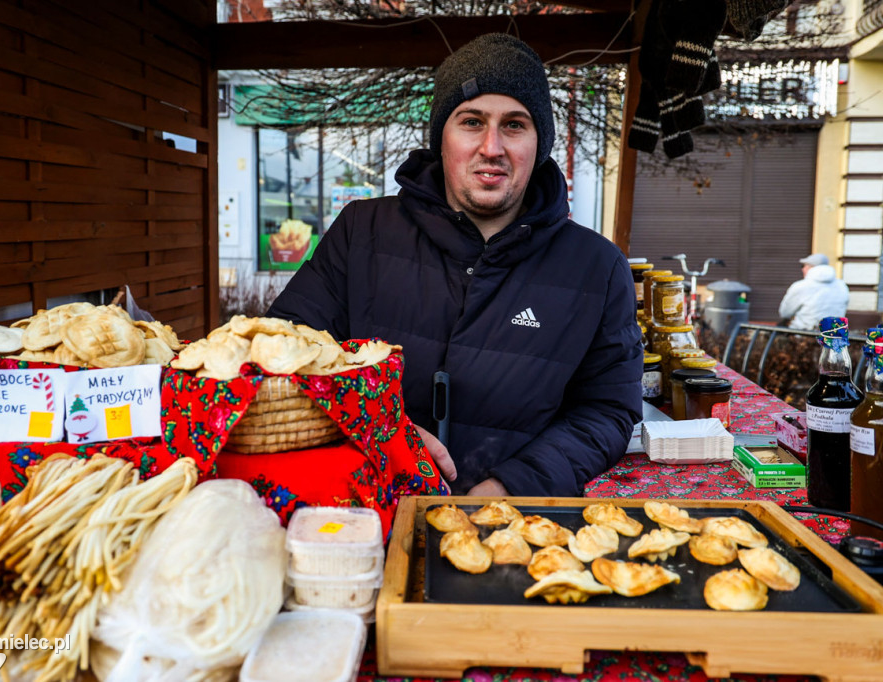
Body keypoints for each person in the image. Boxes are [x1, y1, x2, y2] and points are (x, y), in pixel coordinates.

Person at [267, 33, 643, 497]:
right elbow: (281, 350)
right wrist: (384, 429)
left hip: (514, 531)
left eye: (514, 125)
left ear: (538, 143)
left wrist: (512, 486)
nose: (491, 147)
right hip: (361, 506)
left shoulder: (597, 268)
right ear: (441, 137)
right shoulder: (362, 232)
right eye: (471, 122)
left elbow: (607, 411)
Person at [778, 253, 850, 331]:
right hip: (833, 335)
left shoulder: (801, 286)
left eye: (803, 266)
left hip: (802, 335)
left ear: (811, 267)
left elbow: (785, 313)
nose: (802, 269)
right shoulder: (842, 285)